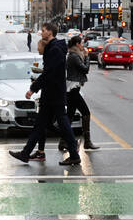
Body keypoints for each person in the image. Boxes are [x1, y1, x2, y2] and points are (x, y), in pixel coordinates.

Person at [10, 22, 81, 166]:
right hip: (51, 94)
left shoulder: (54, 49)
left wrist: (33, 88)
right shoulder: (54, 48)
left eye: (43, 31)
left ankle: (74, 153)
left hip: (54, 94)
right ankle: (25, 153)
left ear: (50, 32)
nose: (41, 33)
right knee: (40, 125)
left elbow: (49, 73)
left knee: (63, 124)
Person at [57, 35, 97, 152]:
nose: (82, 46)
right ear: (77, 45)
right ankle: (87, 142)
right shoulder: (74, 56)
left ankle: (63, 142)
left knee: (69, 116)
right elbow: (85, 69)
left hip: (72, 88)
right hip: (73, 89)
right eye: (81, 44)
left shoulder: (72, 55)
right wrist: (86, 57)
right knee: (85, 112)